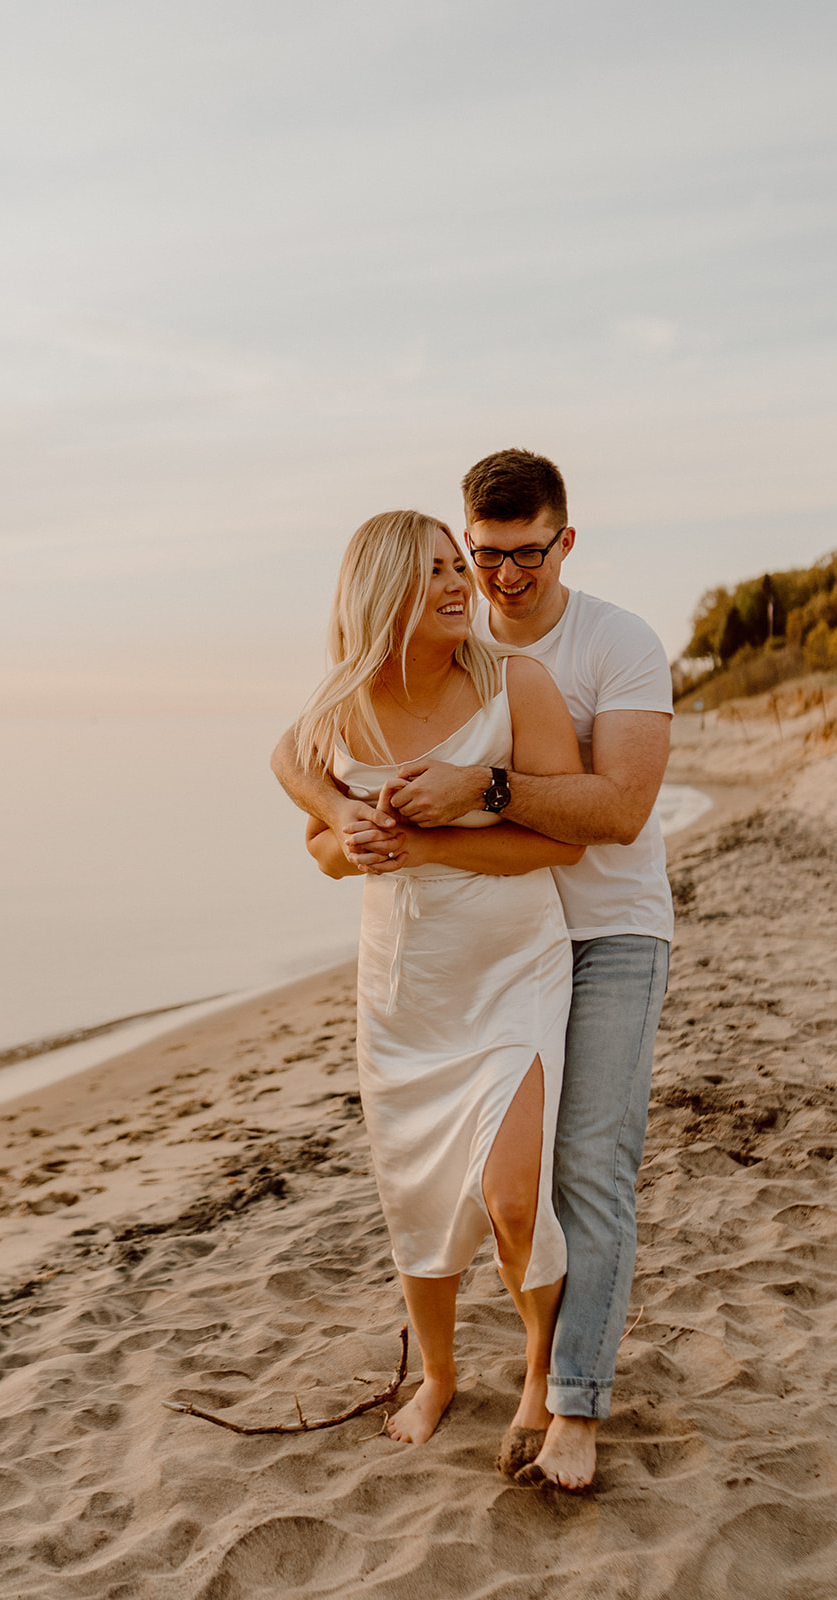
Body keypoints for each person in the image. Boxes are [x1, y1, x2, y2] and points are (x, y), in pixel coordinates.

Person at [272, 451, 673, 1491]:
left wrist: (470, 797)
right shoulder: (433, 657)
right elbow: (303, 766)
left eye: (514, 556)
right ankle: (455, 1370)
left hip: (596, 933)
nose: (488, 581)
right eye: (469, 557)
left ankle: (567, 1397)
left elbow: (612, 815)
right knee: (447, 1184)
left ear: (561, 543)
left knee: (570, 1174)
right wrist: (342, 818)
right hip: (435, 965)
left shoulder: (601, 647)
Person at [288, 507, 585, 1457]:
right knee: (414, 1193)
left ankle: (540, 1372)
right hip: (403, 990)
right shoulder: (341, 709)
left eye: (460, 567)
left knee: (510, 1198)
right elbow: (321, 852)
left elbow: (563, 838)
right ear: (382, 592)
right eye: (438, 572)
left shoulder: (515, 685)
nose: (463, 584)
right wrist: (355, 836)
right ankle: (442, 1377)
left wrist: (423, 837)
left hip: (511, 973)